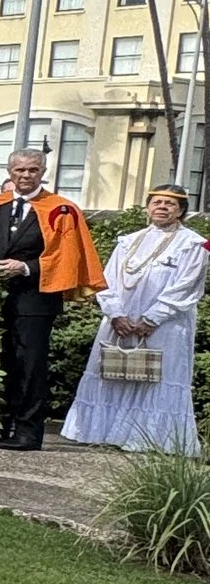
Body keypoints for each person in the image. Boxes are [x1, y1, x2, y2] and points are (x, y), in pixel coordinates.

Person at [0, 147, 106, 449]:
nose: (25, 175)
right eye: (20, 170)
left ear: (42, 172)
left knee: (29, 365)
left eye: (32, 170)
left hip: (35, 299)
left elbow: (67, 256)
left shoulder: (61, 209)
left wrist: (26, 267)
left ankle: (27, 431)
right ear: (10, 172)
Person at [64, 186, 209, 452]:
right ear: (148, 207)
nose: (162, 207)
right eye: (157, 202)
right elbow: (106, 280)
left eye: (170, 204)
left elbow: (186, 287)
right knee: (113, 373)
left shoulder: (193, 244)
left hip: (165, 324)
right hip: (121, 321)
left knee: (154, 377)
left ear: (181, 211)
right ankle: (104, 432)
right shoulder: (129, 241)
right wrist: (116, 314)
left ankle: (147, 439)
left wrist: (152, 318)